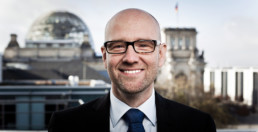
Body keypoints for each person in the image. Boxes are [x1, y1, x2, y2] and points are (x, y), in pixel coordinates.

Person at [48, 8, 216, 132]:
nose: (130, 58)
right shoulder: (64, 126)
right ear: (105, 57)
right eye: (118, 46)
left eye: (143, 45)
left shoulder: (199, 126)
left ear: (161, 54)